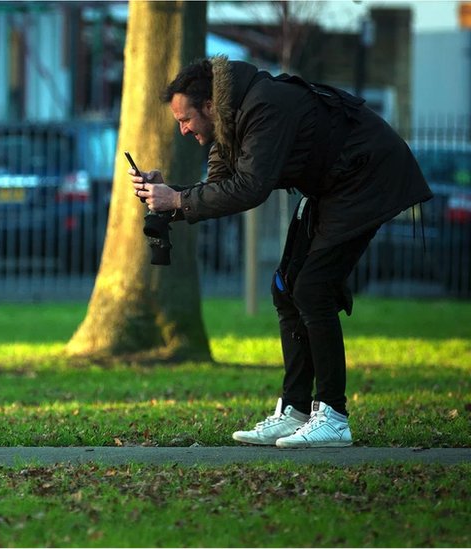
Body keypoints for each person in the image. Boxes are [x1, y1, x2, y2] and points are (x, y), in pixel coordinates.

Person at [129, 55, 431, 448]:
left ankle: (334, 417)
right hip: (333, 182)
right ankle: (295, 411)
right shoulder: (230, 119)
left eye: (185, 119)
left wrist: (178, 200)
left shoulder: (262, 106)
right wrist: (169, 196)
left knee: (313, 289)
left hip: (368, 174)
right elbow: (221, 187)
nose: (183, 130)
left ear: (208, 106)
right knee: (285, 287)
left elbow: (250, 189)